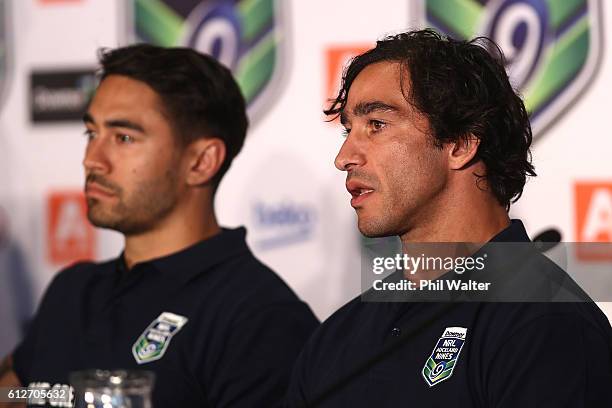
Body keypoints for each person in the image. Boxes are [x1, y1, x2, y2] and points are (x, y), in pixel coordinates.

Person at [286, 29, 612, 407]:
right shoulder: (336, 338)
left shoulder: (546, 326)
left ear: (461, 143)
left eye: (376, 124)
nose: (344, 157)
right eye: (348, 130)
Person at [0, 44, 319, 408]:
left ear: (201, 161)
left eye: (123, 138)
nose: (92, 160)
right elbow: (18, 392)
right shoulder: (72, 289)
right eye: (92, 134)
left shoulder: (261, 318)